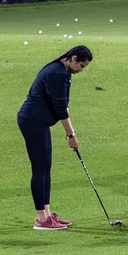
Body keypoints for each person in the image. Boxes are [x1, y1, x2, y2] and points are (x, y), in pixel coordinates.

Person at [18, 45, 93, 231]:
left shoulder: (64, 72)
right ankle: (41, 218)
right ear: (73, 59)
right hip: (32, 121)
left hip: (40, 122)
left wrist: (71, 133)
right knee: (39, 167)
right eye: (81, 66)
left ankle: (47, 214)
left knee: (46, 166)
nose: (81, 70)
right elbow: (60, 110)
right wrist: (71, 135)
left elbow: (62, 104)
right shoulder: (56, 73)